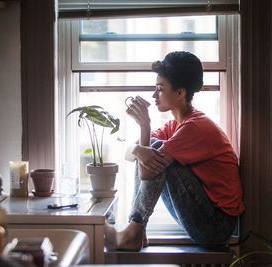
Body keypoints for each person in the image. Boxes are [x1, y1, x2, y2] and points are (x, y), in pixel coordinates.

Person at [104, 51, 244, 250]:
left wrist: (145, 127)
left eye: (160, 89)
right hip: (203, 216)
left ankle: (134, 231)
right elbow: (130, 155)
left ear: (180, 93)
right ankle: (137, 232)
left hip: (217, 227)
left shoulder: (195, 128)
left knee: (156, 149)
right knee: (152, 146)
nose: (154, 95)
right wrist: (137, 148)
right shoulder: (175, 125)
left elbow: (145, 172)